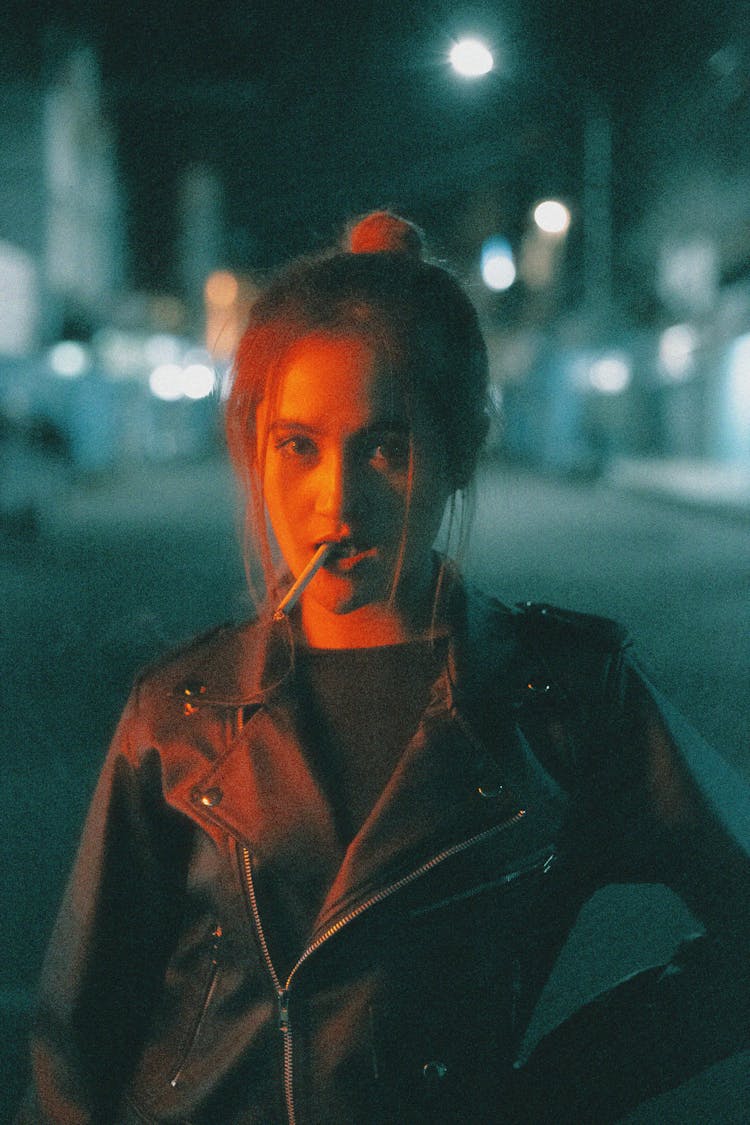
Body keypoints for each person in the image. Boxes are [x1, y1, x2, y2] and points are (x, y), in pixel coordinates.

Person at [19, 211, 750, 1124]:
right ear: (255, 450)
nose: (337, 501)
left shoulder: (563, 698)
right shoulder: (182, 708)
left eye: (386, 447)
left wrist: (559, 1088)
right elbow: (78, 1043)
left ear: (459, 451)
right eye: (298, 446)